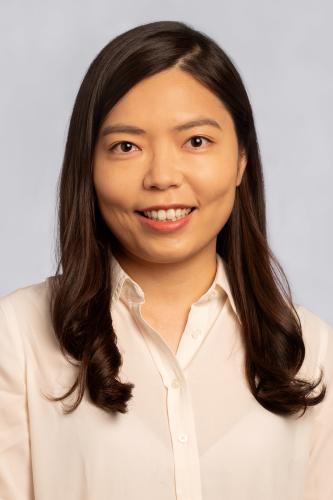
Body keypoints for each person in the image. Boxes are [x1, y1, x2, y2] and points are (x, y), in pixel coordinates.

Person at [0, 20, 332, 500]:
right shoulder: (16, 337)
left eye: (196, 141)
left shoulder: (312, 350)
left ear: (241, 159)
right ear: (88, 167)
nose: (161, 177)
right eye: (126, 147)